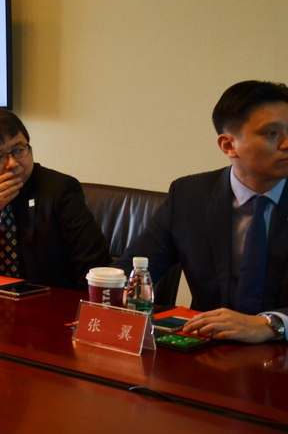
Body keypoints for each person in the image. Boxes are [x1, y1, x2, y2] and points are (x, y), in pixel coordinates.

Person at [120, 81, 288, 343]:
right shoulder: (189, 195)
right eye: (271, 133)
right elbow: (135, 268)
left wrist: (271, 324)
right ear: (228, 145)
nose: (286, 143)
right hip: (206, 346)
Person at [0, 108, 108, 290]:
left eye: (19, 150)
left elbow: (94, 266)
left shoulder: (60, 190)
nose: (13, 163)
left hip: (50, 299)